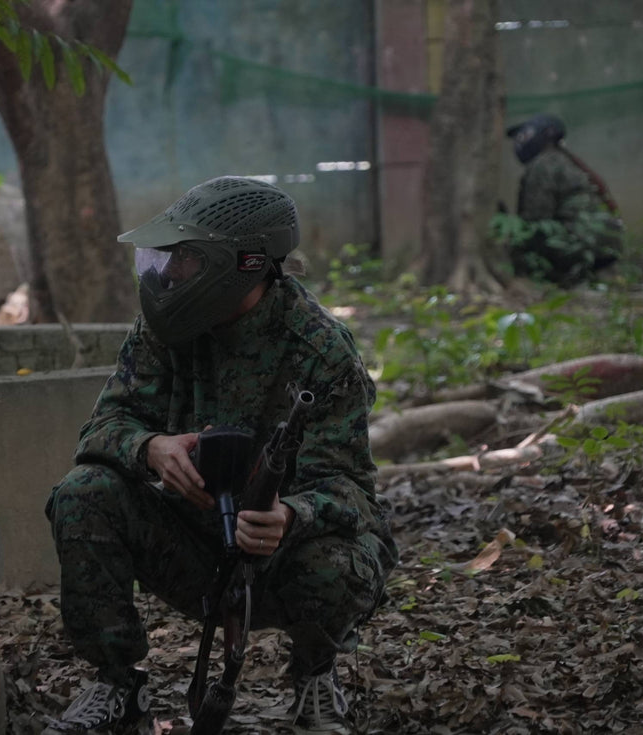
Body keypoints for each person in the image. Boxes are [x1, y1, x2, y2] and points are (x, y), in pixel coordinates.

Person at [43, 176, 398, 734]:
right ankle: (117, 685)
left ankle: (313, 676)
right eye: (167, 258)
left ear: (243, 265)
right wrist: (150, 448)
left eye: (185, 259)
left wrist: (290, 515)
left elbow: (352, 490)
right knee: (82, 494)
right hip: (187, 544)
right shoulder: (168, 329)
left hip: (280, 557)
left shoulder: (321, 351)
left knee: (342, 565)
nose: (168, 274)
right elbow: (103, 428)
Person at [503, 114, 625, 287]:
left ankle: (555, 279)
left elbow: (536, 219)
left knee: (525, 239)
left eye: (522, 136)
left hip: (580, 246)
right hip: (605, 249)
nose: (519, 142)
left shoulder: (542, 165)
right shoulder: (564, 161)